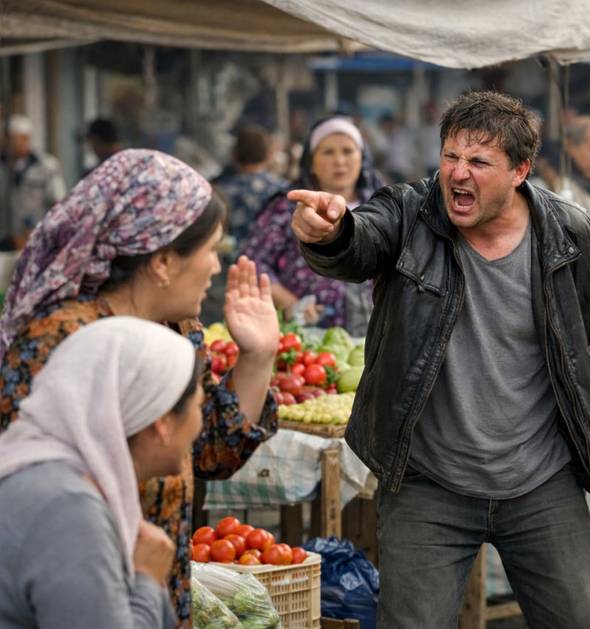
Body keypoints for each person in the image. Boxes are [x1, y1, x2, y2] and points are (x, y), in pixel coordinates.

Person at [289, 90, 590, 628]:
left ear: (520, 171)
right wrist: (334, 233)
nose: (459, 173)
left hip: (541, 481)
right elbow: (361, 241)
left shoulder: (570, 235)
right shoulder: (409, 213)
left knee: (579, 620)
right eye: (451, 156)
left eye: (479, 162)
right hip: (428, 482)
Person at [0, 149, 280, 625]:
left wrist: (257, 357)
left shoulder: (178, 329)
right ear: (164, 261)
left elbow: (209, 451)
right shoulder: (59, 343)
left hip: (154, 596)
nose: (217, 267)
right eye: (211, 250)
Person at [0, 317, 204, 629]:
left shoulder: (57, 480)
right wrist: (147, 579)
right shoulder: (69, 509)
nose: (200, 425)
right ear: (163, 422)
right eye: (198, 407)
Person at [240, 117, 383, 335]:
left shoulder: (380, 206)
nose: (339, 161)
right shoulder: (288, 206)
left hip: (374, 334)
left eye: (347, 151)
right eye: (328, 152)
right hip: (305, 337)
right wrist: (289, 303)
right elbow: (253, 263)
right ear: (311, 162)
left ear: (362, 158)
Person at [212, 124, 287, 256]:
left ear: (235, 155)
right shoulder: (283, 190)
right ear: (269, 156)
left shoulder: (217, 192)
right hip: (270, 262)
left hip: (229, 264)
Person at [0, 115, 67, 248]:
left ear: (25, 138)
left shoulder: (46, 165)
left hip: (37, 238)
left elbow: (58, 202)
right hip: (5, 239)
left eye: (12, 138)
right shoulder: (3, 165)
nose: (7, 143)